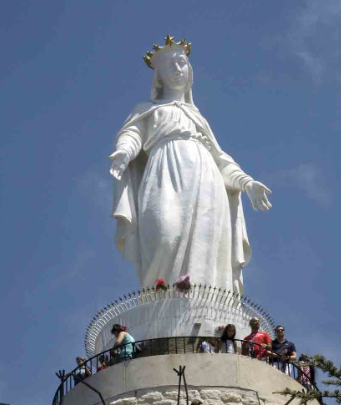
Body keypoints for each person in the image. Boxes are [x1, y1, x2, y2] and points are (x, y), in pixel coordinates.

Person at [109, 36, 273, 295]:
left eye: (182, 63)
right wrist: (123, 152)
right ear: (159, 76)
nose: (177, 69)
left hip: (205, 177)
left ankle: (203, 304)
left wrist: (247, 183)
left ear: (190, 70)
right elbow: (132, 134)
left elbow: (220, 159)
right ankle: (160, 302)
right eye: (170, 65)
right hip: (164, 171)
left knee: (206, 245)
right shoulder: (148, 109)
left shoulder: (197, 118)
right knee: (165, 233)